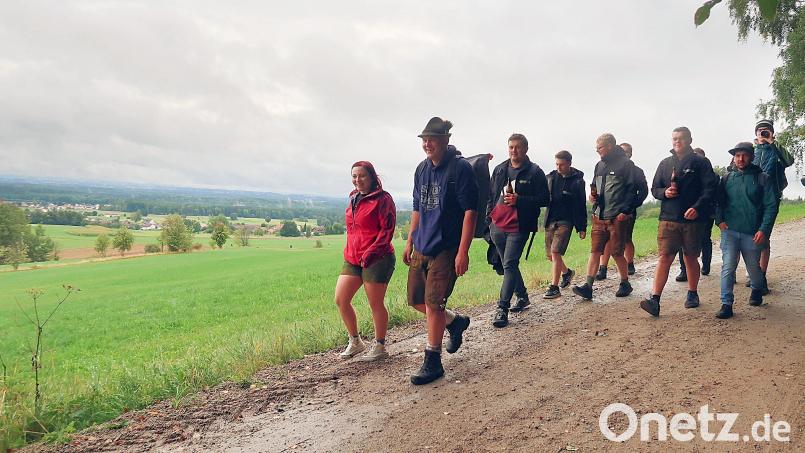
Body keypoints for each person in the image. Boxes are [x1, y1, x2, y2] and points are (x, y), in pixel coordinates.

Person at [404, 117, 478, 385]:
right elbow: (416, 207)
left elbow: (471, 212)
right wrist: (410, 240)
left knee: (434, 303)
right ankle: (455, 322)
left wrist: (463, 251)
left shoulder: (460, 170)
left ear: (446, 140)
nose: (427, 143)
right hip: (423, 243)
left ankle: (432, 361)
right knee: (416, 301)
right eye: (424, 139)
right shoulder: (421, 169)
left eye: (432, 138)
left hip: (447, 247)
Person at [640, 127, 717, 317]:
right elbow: (654, 189)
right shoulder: (665, 163)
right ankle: (655, 300)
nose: (677, 142)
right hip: (668, 219)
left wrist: (698, 207)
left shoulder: (701, 162)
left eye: (681, 138)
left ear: (690, 140)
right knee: (665, 257)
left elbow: (710, 189)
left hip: (692, 220)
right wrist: (664, 192)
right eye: (674, 138)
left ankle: (692, 293)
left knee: (690, 257)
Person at [335, 161, 397, 361]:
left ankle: (379, 347)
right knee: (341, 299)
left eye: (362, 176)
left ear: (372, 177)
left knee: (375, 303)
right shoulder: (354, 197)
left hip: (378, 258)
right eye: (354, 176)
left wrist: (370, 252)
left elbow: (387, 231)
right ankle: (356, 342)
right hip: (352, 257)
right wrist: (352, 252)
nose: (357, 180)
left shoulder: (383, 199)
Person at [486, 133, 549, 327]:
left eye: (518, 147)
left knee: (510, 264)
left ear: (526, 149)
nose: (514, 151)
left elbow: (545, 199)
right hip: (497, 226)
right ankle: (522, 296)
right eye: (511, 147)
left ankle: (502, 308)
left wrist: (519, 200)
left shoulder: (535, 172)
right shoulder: (499, 169)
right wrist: (489, 218)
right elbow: (490, 195)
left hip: (519, 226)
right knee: (508, 264)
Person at [572, 134, 641, 301]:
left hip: (617, 217)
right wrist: (593, 197)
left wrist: (625, 211)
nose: (597, 151)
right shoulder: (599, 165)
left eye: (600, 148)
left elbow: (633, 190)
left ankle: (625, 283)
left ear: (610, 146)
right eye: (596, 148)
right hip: (599, 216)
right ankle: (588, 286)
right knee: (595, 251)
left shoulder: (626, 165)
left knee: (617, 253)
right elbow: (596, 187)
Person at [714, 142, 778, 319]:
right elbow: (718, 202)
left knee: (753, 270)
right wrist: (719, 221)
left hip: (753, 233)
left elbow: (771, 206)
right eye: (737, 155)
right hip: (730, 231)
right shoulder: (726, 178)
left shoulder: (762, 178)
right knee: (728, 267)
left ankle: (757, 289)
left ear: (751, 157)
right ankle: (726, 304)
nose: (740, 159)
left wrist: (764, 230)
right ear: (733, 158)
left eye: (744, 155)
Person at [594, 142, 647, 279]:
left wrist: (630, 208)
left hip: (626, 211)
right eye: (623, 151)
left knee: (626, 239)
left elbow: (642, 191)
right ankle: (602, 268)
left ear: (630, 154)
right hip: (607, 211)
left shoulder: (636, 170)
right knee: (606, 241)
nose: (625, 154)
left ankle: (629, 264)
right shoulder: (605, 167)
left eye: (627, 152)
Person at [543, 150, 587, 299]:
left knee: (555, 252)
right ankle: (567, 273)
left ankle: (554, 287)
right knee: (551, 256)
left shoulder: (578, 181)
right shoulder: (550, 178)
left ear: (569, 163)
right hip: (550, 220)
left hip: (566, 221)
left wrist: (582, 227)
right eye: (556, 164)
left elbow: (581, 205)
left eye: (561, 164)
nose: (558, 167)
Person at [752, 119, 787, 288]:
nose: (763, 133)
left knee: (763, 237)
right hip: (750, 200)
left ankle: (761, 276)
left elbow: (789, 161)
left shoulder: (777, 149)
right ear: (756, 133)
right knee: (751, 237)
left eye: (766, 130)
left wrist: (772, 143)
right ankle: (754, 273)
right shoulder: (750, 150)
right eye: (760, 131)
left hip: (771, 199)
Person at [675, 147, 717, 281]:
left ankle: (706, 265)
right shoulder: (683, 174)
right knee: (683, 243)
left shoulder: (712, 175)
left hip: (706, 213)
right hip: (686, 213)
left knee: (705, 238)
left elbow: (713, 193)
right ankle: (684, 270)